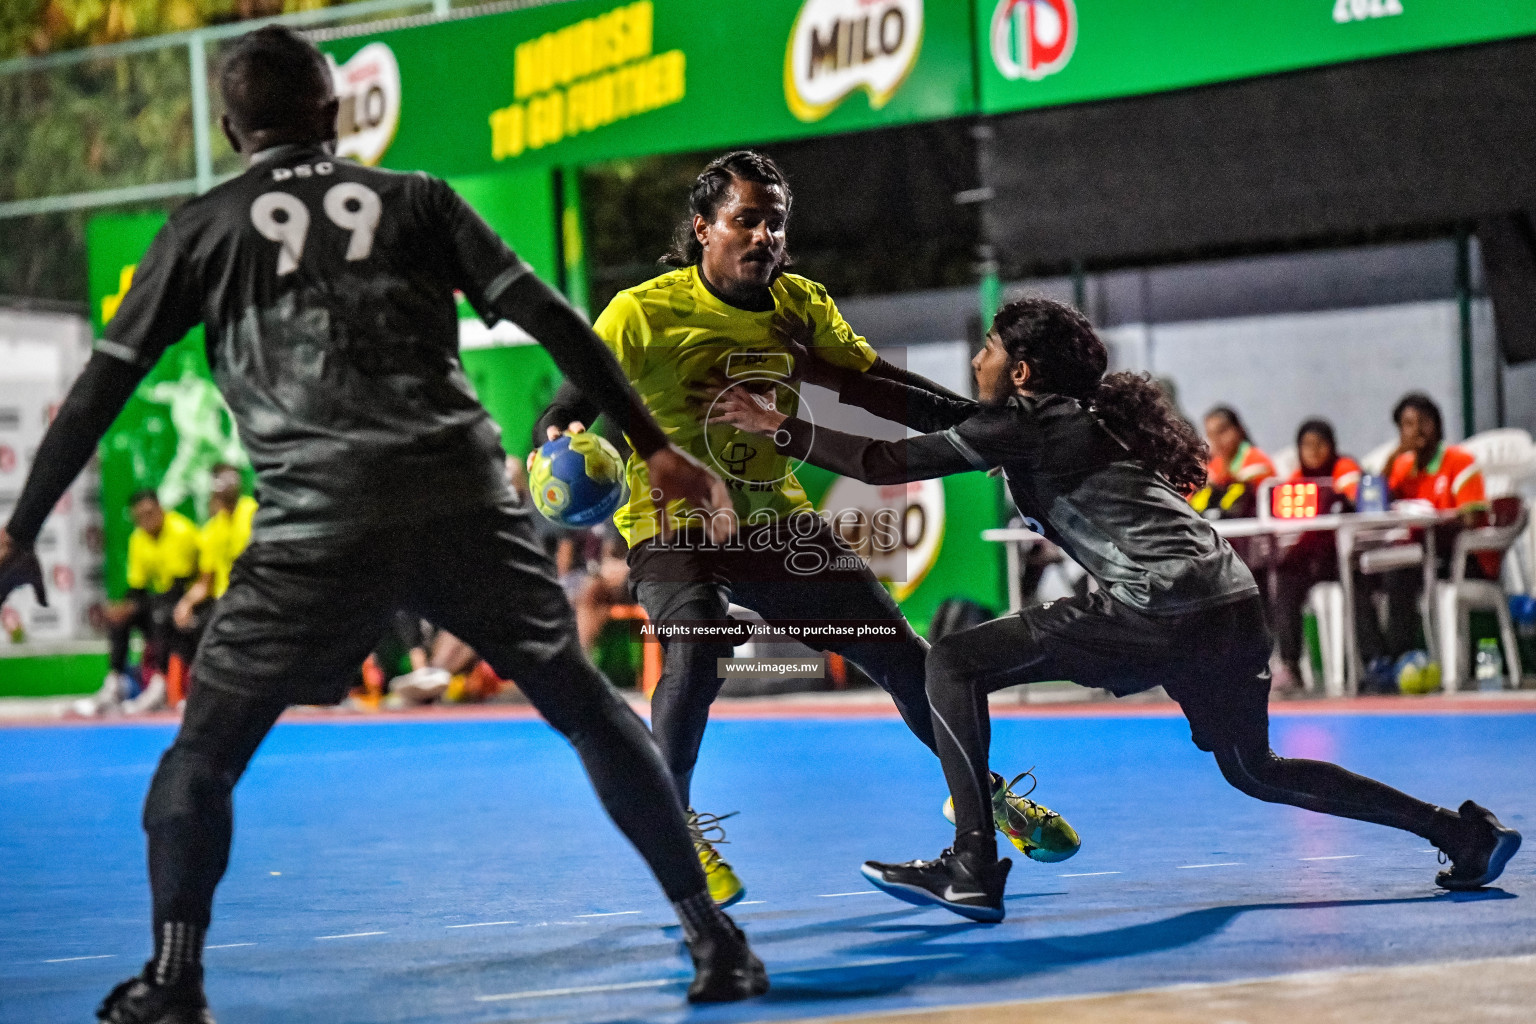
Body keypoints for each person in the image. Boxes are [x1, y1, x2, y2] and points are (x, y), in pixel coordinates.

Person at [0, 27, 765, 1022]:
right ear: (334, 114)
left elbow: (101, 390)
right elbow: (550, 317)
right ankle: (716, 939)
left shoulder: (201, 228)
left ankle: (175, 977)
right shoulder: (418, 197)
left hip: (315, 525)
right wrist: (654, 442)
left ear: (232, 129)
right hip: (461, 499)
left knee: (202, 756)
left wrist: (19, 533)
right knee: (584, 706)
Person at [710, 296, 1521, 922]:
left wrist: (776, 423)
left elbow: (884, 457)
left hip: (1155, 611)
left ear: (1020, 370)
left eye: (989, 347)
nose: (977, 356)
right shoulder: (1062, 414)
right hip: (1230, 606)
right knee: (1256, 769)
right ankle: (1461, 834)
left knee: (951, 661)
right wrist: (821, 370)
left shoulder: (1033, 424)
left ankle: (972, 864)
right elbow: (938, 414)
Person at [536, 151, 1077, 906]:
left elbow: (884, 390)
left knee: (905, 658)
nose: (764, 236)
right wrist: (553, 442)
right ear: (703, 229)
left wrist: (983, 428)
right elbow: (566, 404)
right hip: (674, 531)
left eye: (776, 222)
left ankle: (982, 799)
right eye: (745, 220)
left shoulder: (798, 306)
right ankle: (675, 828)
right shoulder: (640, 313)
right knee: (693, 656)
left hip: (779, 529)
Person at [1356, 392, 1490, 690]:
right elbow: (1374, 501)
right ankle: (1378, 661)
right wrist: (1394, 456)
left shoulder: (1460, 461)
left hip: (1457, 559)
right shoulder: (1403, 467)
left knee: (1398, 572)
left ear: (1438, 426)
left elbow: (1473, 518)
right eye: (1407, 424)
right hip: (1414, 556)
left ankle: (1400, 659)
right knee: (1359, 574)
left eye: (1423, 422)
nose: (1416, 430)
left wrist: (1436, 518)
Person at [82, 490, 201, 716]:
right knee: (121, 618)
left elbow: (178, 587)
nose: (146, 520)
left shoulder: (181, 531)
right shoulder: (138, 538)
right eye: (140, 516)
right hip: (161, 602)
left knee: (161, 614)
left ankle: (160, 683)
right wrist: (124, 608)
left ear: (160, 509)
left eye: (150, 513)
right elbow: (137, 588)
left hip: (187, 602)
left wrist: (137, 605)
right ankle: (115, 682)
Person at [1269, 419, 1361, 690]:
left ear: (1332, 446)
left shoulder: (1345, 468)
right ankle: (1290, 664)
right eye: (1307, 445)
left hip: (1344, 554)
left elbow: (1355, 498)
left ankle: (1365, 662)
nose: (1314, 451)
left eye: (1320, 444)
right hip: (1310, 557)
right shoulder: (1297, 478)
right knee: (1284, 578)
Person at [172, 464, 257, 651]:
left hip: (255, 597)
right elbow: (205, 582)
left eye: (230, 478)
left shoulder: (254, 513)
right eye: (220, 479)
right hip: (223, 603)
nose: (226, 484)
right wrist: (186, 603)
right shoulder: (211, 531)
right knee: (183, 629)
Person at [1191, 405, 1276, 518]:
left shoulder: (1256, 459)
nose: (1217, 439)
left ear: (1238, 429)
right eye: (1211, 434)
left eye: (1221, 431)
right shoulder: (1215, 465)